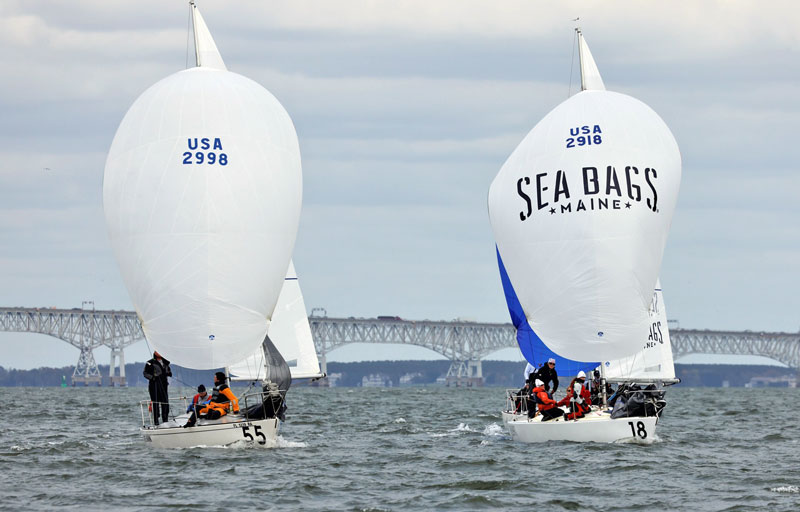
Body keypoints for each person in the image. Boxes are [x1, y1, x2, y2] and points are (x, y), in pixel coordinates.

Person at [142, 351, 172, 425]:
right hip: (154, 385)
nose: (159, 352)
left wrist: (168, 373)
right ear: (155, 353)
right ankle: (156, 421)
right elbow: (145, 373)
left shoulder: (166, 362)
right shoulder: (150, 362)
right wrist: (152, 377)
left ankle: (165, 420)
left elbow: (168, 371)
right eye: (157, 351)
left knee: (165, 402)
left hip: (164, 385)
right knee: (155, 402)